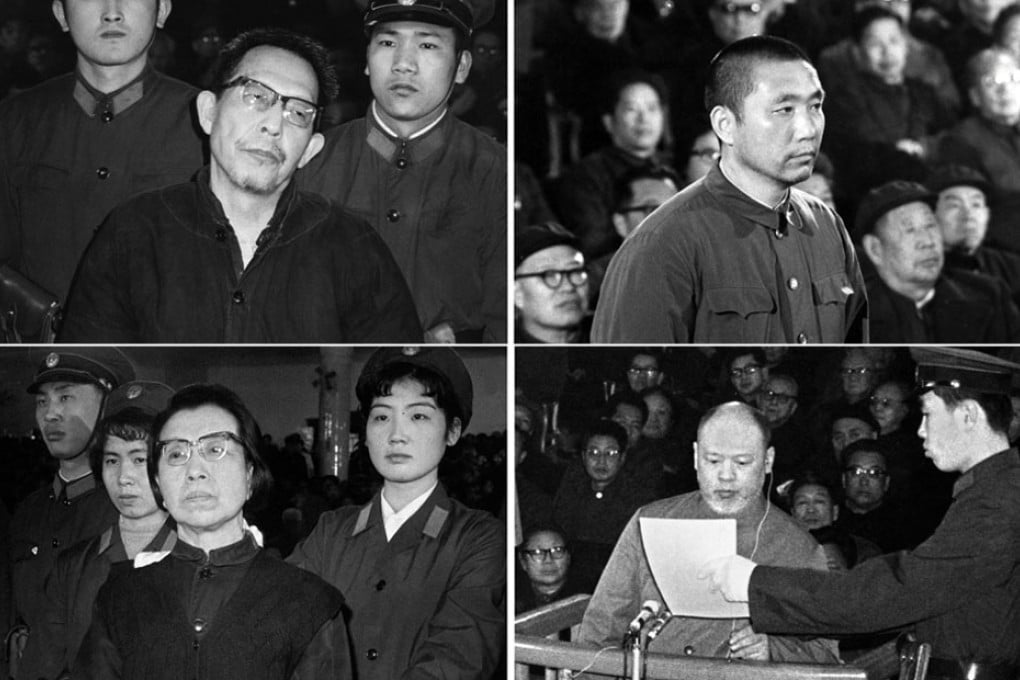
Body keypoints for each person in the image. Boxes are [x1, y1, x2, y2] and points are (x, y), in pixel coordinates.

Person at [60, 28, 421, 343]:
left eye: (298, 112)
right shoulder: (134, 231)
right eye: (256, 96)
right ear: (208, 112)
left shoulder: (353, 246)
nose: (273, 125)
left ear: (310, 149)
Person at [703, 347, 1020, 679]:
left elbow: (902, 589)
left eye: (928, 414)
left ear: (968, 415)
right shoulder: (990, 492)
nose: (921, 430)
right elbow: (933, 613)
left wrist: (755, 583)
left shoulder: (998, 501)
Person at [592, 36, 866, 343]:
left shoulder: (827, 226)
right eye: (785, 109)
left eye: (815, 106)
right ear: (725, 125)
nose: (808, 129)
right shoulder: (662, 244)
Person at [73, 384, 350, 677]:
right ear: (158, 484)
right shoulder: (121, 596)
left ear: (250, 475)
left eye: (215, 449)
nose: (195, 470)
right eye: (177, 453)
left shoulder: (308, 602)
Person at [288, 347, 505, 680]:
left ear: (452, 431)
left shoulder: (477, 537)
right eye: (381, 416)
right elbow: (282, 617)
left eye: (418, 416)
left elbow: (460, 656)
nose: (396, 435)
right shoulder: (332, 529)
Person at [298, 0, 506, 343]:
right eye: (387, 43)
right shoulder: (312, 162)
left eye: (427, 45)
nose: (403, 64)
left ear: (461, 67)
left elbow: (505, 319)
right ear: (367, 59)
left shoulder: (494, 171)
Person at [578, 402, 838, 664]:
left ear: (768, 460)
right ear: (695, 456)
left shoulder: (796, 546)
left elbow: (824, 656)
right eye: (713, 460)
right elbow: (602, 627)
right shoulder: (651, 521)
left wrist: (774, 650)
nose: (726, 475)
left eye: (742, 462)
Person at [0, 0, 204, 304]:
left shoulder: (207, 124)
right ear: (61, 14)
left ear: (161, 11)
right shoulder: (14, 121)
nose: (112, 12)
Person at [20, 380, 176, 680]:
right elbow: (41, 666)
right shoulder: (75, 565)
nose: (124, 477)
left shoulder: (197, 556)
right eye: (112, 460)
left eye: (140, 459)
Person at [7, 349, 134, 678]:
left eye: (65, 397)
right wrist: (13, 635)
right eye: (42, 402)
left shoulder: (129, 511)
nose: (50, 414)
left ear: (107, 406)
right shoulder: (27, 511)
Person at [856, 180, 1020, 342]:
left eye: (930, 225)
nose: (928, 241)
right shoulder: (851, 318)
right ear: (875, 249)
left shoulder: (990, 294)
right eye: (910, 230)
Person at [929, 163, 1020, 305]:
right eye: (954, 205)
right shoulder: (918, 275)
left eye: (976, 205)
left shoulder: (1011, 267)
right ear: (930, 217)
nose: (968, 215)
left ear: (987, 215)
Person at [514, 222, 590, 343]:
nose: (568, 287)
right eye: (549, 275)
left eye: (576, 271)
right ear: (517, 293)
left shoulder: (611, 335)